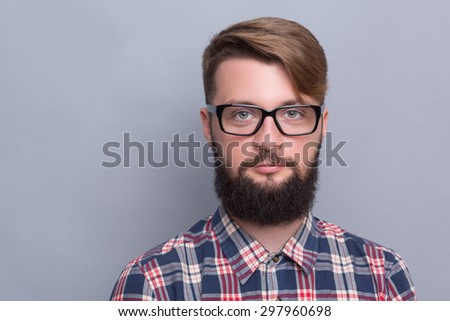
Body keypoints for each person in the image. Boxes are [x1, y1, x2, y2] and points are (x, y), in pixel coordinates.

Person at [110, 17, 416, 301]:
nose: (268, 140)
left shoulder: (383, 278)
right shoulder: (152, 285)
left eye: (293, 113)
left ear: (322, 126)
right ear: (208, 125)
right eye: (242, 114)